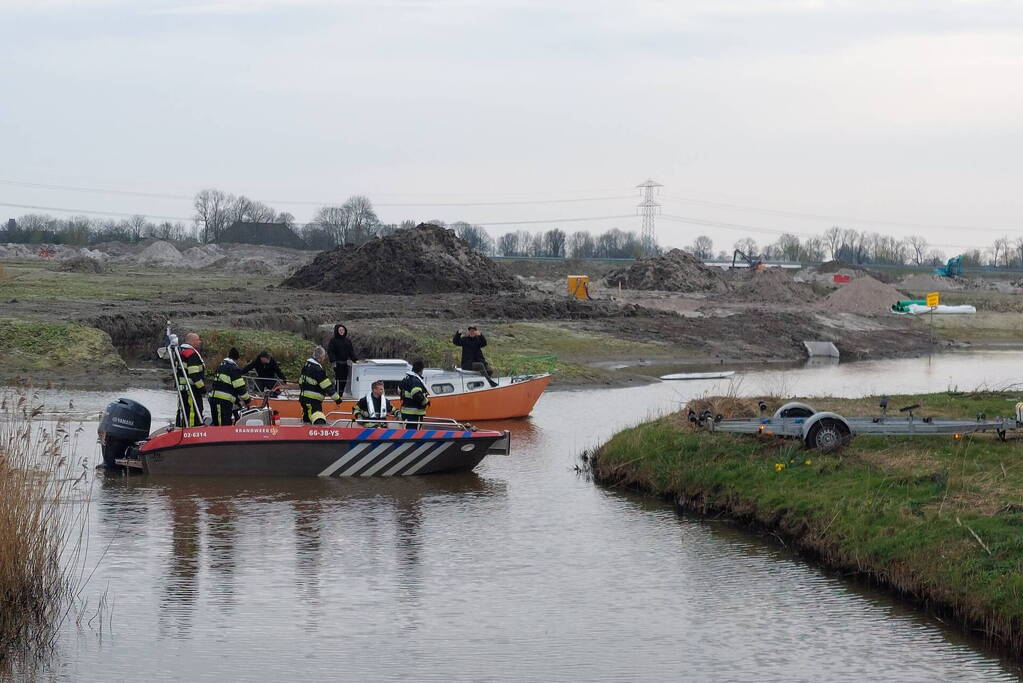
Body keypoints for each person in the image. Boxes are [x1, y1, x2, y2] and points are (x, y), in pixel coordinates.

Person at [209, 347, 252, 426]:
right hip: (222, 402)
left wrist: (237, 401)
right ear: (237, 359)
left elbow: (227, 386)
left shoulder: (221, 366)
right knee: (222, 426)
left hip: (215, 400)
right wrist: (248, 401)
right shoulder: (234, 369)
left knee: (219, 424)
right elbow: (240, 388)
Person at [299, 346, 340, 425]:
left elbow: (301, 382)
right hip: (313, 402)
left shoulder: (306, 366)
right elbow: (327, 386)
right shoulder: (317, 370)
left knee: (307, 421)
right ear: (321, 357)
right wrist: (338, 399)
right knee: (319, 420)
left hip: (304, 399)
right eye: (324, 357)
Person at [175, 332, 206, 427]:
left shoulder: (181, 352)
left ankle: (181, 427)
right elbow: (194, 373)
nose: (199, 342)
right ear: (192, 341)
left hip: (183, 388)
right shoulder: (191, 354)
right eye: (198, 340)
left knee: (184, 410)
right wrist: (202, 388)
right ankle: (192, 431)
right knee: (193, 411)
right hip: (191, 389)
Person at [327, 324, 357, 396]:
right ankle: (336, 394)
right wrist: (333, 361)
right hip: (337, 364)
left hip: (345, 364)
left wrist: (355, 360)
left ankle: (340, 393)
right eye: (340, 330)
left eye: (343, 330)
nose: (341, 331)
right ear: (337, 331)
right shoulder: (333, 341)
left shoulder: (348, 341)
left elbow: (351, 352)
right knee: (338, 380)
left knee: (344, 380)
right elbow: (330, 351)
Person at [398, 359, 430, 426]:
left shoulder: (406, 379)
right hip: (415, 414)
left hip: (405, 412)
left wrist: (407, 397)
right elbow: (416, 393)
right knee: (415, 434)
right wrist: (426, 401)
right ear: (421, 370)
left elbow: (399, 390)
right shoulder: (416, 381)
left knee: (407, 433)